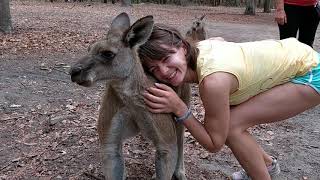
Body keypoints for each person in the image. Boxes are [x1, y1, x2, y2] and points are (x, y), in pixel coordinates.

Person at [138, 24, 320, 180]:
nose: (163, 71)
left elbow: (214, 143)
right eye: (154, 68)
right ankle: (268, 166)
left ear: (184, 47)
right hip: (295, 55)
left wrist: (179, 108)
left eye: (166, 58)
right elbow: (220, 40)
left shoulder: (213, 82)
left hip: (310, 71)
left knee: (231, 127)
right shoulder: (202, 46)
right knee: (230, 120)